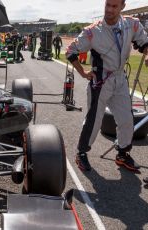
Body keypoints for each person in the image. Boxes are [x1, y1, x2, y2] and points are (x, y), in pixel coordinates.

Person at [66, 0, 148, 172]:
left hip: (120, 80)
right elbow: (71, 50)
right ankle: (81, 153)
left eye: (114, 6)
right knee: (94, 121)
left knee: (126, 119)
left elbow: (144, 43)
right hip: (100, 82)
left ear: (122, 7)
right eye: (107, 5)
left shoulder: (132, 24)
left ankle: (123, 154)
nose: (109, 10)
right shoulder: (92, 31)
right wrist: (82, 72)